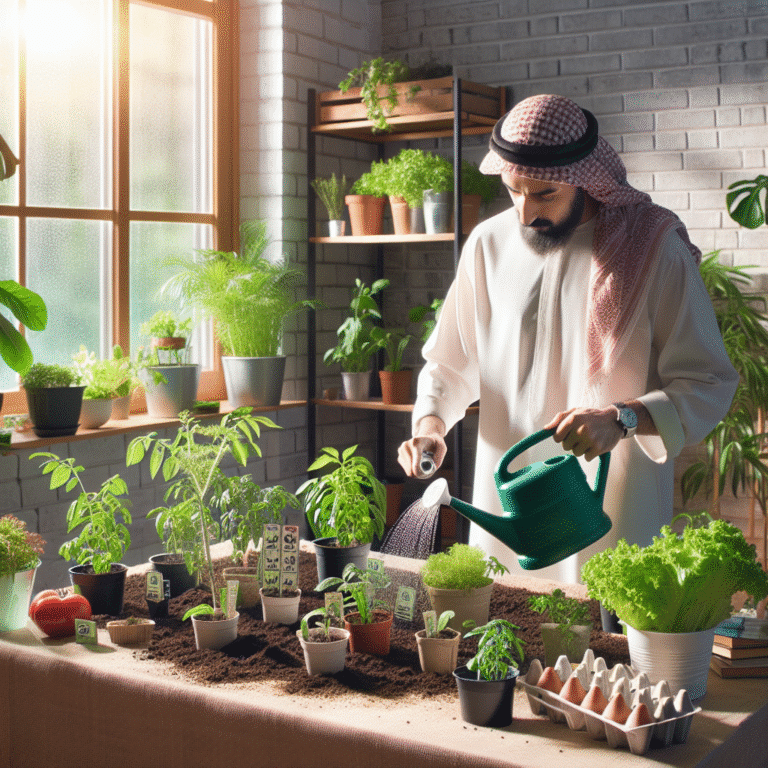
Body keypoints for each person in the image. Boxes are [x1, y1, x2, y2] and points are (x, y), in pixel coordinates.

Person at [397, 94, 739, 584]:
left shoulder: (654, 248)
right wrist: (430, 426)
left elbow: (709, 380)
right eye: (513, 190)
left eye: (544, 194)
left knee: (606, 658)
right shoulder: (488, 245)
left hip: (612, 518)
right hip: (507, 507)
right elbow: (451, 363)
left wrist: (622, 418)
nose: (523, 212)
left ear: (585, 179)